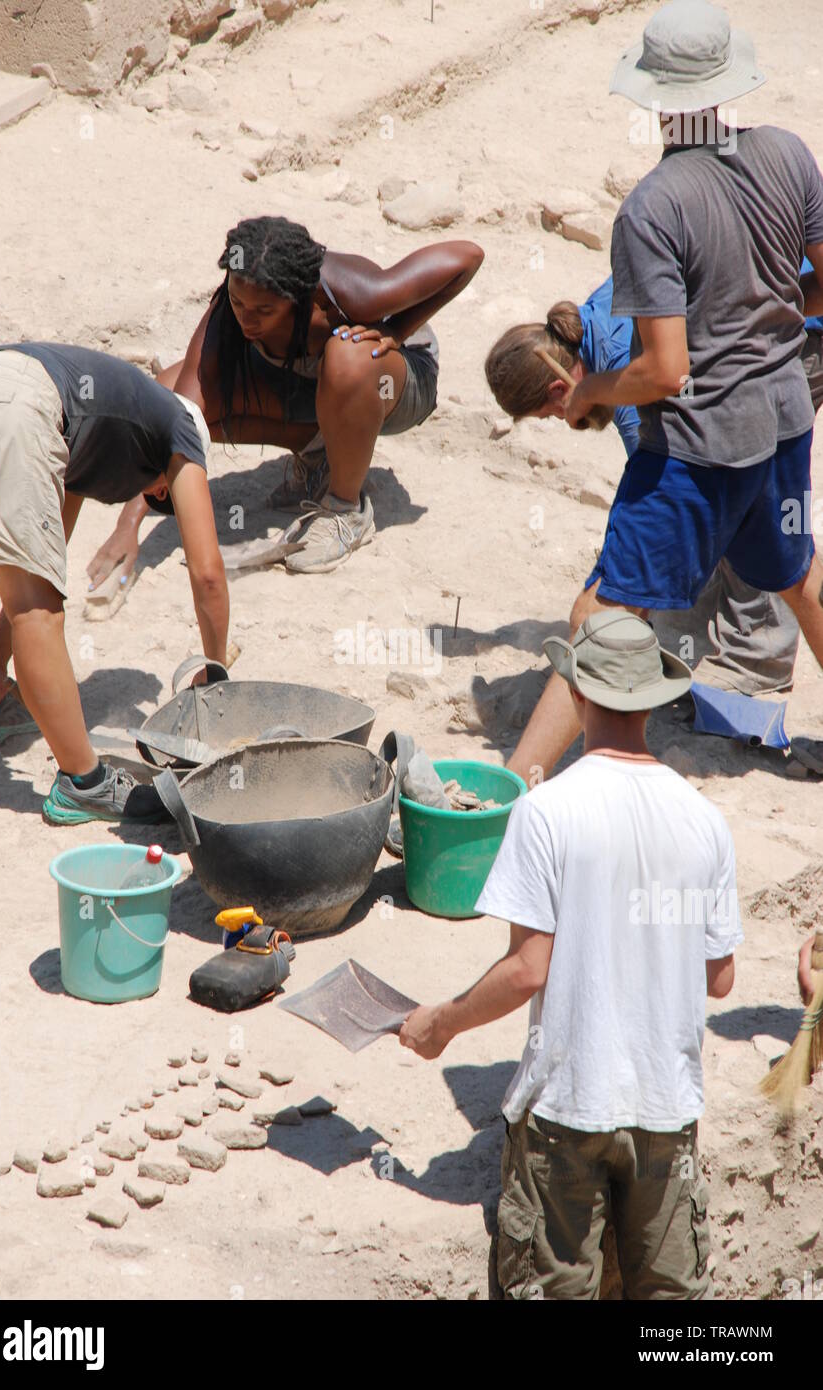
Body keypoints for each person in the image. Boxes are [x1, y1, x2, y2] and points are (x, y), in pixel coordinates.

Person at [503, 0, 823, 786]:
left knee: (603, 612)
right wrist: (768, 318)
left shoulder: (652, 208)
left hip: (699, 446)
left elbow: (666, 371)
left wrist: (590, 395)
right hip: (785, 419)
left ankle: (510, 795)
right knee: (800, 575)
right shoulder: (787, 152)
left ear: (653, 98)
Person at [400, 610, 742, 1299]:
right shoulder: (705, 821)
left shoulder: (547, 810)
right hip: (665, 1110)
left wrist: (440, 1023)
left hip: (567, 1108)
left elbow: (528, 970)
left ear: (577, 694)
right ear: (652, 702)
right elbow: (721, 978)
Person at [88, 216, 484, 580]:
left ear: (300, 298)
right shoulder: (229, 310)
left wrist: (398, 327)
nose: (247, 319)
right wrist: (130, 524)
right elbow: (177, 417)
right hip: (314, 384)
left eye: (264, 310)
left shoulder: (350, 293)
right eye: (240, 302)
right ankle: (318, 460)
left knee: (348, 355)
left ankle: (345, 510)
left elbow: (466, 256)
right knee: (169, 387)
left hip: (392, 381)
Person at [486, 269, 823, 695]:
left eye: (552, 414)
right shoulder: (589, 321)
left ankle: (756, 659)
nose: (562, 419)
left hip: (797, 331)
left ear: (559, 388)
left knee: (749, 499)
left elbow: (669, 504)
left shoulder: (621, 372)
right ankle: (710, 634)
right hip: (771, 307)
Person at [0, 343, 228, 824]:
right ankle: (84, 783)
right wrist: (217, 675)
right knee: (37, 607)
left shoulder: (103, 425)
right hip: (16, 408)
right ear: (163, 488)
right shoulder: (179, 428)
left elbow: (41, 548)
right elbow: (207, 574)